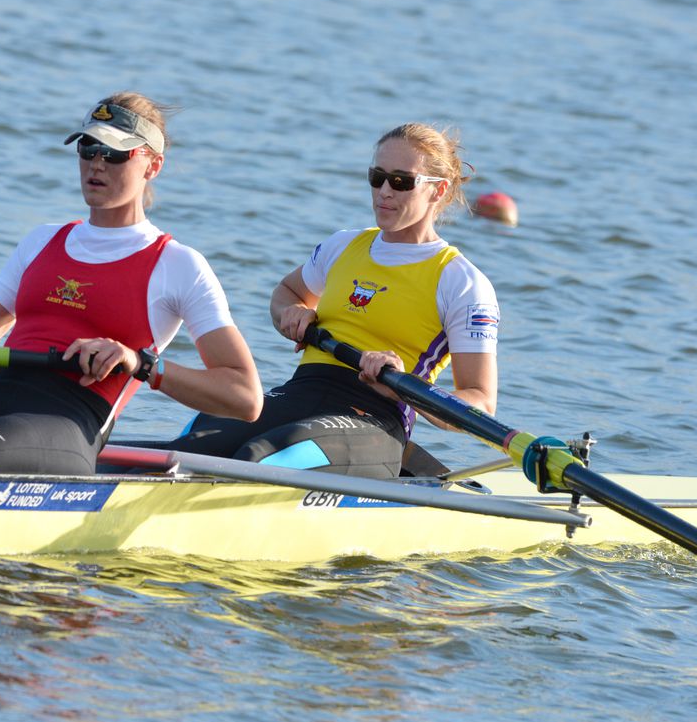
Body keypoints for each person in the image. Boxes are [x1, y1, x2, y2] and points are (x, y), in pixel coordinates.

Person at [0, 92, 262, 473]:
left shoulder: (178, 265)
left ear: (153, 165)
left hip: (68, 423)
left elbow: (245, 397)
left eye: (116, 154)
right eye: (88, 147)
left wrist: (139, 363)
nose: (96, 163)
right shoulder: (42, 240)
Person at [166, 122, 499, 479]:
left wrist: (403, 385)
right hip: (302, 392)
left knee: (258, 458)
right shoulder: (343, 246)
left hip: (374, 420)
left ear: (438, 191)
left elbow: (479, 403)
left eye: (401, 181)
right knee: (193, 445)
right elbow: (286, 293)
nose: (384, 191)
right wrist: (293, 313)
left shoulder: (461, 282)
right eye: (377, 177)